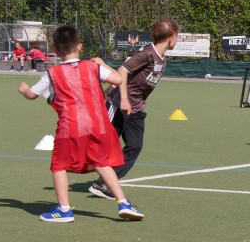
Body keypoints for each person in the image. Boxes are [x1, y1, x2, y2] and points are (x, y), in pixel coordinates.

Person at [18, 26, 145, 222]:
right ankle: (123, 202)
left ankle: (64, 209)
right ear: (80, 46)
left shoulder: (53, 73)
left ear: (57, 52)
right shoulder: (93, 67)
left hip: (70, 127)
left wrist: (24, 89)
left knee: (59, 165)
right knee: (102, 163)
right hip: (97, 126)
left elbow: (32, 95)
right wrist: (104, 64)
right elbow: (119, 79)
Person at [88, 17, 180, 199]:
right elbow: (123, 71)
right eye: (176, 36)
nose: (177, 40)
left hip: (136, 109)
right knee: (103, 146)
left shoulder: (162, 58)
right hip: (119, 105)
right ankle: (74, 165)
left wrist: (104, 65)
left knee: (134, 146)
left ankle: (103, 183)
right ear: (170, 37)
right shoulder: (147, 54)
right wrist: (123, 99)